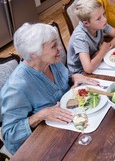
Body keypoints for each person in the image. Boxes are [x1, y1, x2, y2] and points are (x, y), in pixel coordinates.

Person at [1, 23, 98, 155]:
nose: (60, 48)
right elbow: (9, 135)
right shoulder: (17, 86)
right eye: (53, 46)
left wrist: (72, 78)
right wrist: (41, 115)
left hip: (70, 125)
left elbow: (61, 82)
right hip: (42, 144)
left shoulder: (52, 62)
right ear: (34, 53)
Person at [67, 0, 115, 74]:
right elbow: (88, 68)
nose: (104, 19)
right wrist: (103, 51)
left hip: (97, 62)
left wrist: (108, 46)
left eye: (104, 14)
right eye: (98, 18)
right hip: (80, 73)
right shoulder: (80, 37)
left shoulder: (100, 23)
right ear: (86, 23)